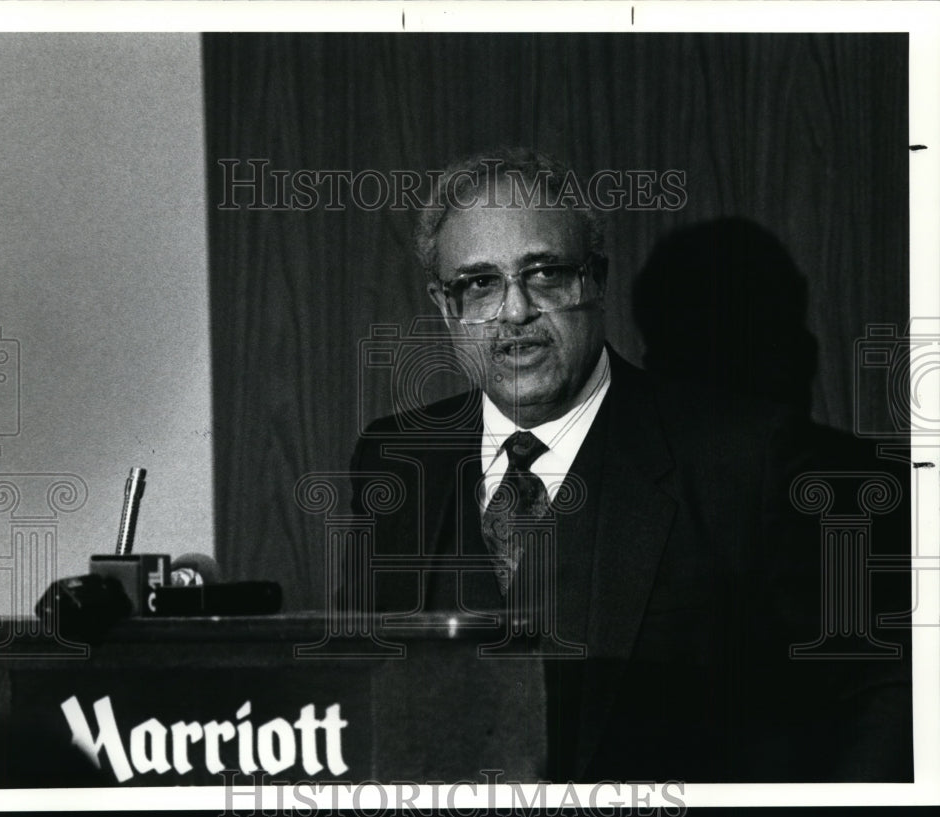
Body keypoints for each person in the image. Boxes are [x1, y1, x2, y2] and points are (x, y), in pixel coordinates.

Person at [346, 149, 912, 783]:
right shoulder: (393, 460)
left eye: (546, 274)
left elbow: (875, 700)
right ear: (446, 307)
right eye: (480, 283)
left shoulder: (746, 458)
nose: (515, 312)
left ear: (596, 280)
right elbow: (360, 694)